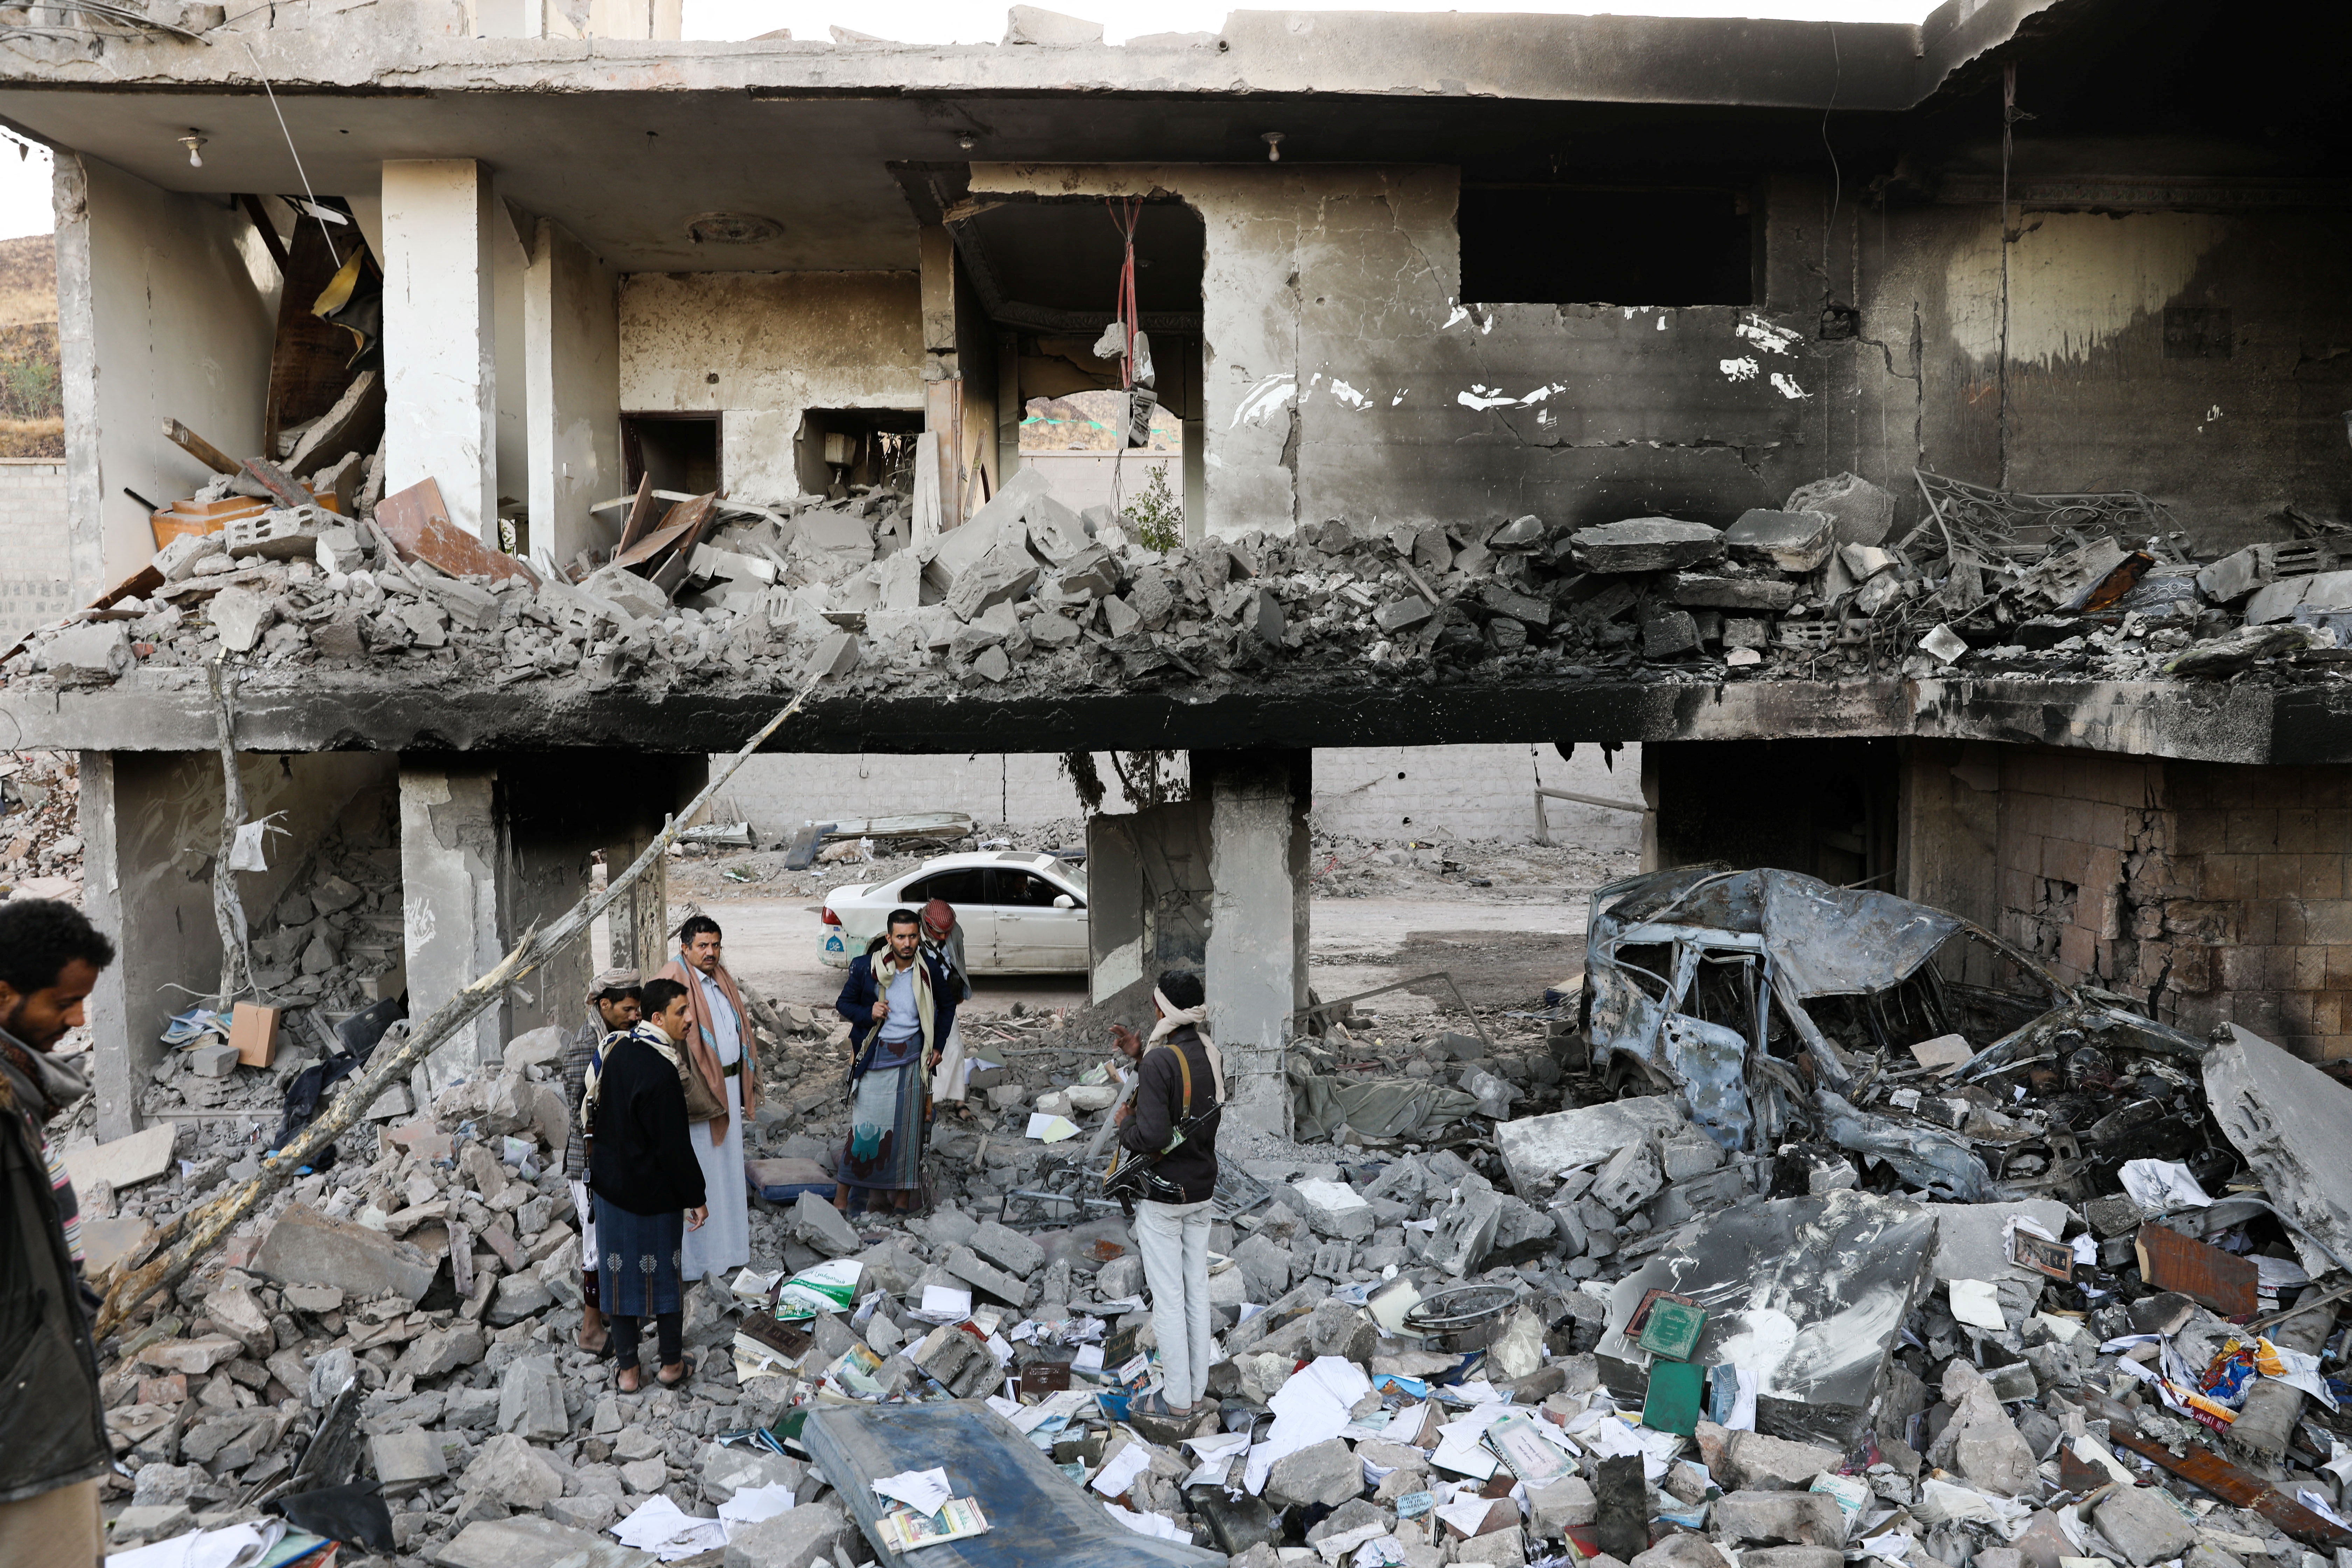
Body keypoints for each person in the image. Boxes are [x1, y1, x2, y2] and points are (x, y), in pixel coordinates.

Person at [0, 900, 116, 1566]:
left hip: (39, 1390)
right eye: (62, 1004)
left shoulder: (18, 1089)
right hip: (20, 1415)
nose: (76, 1022)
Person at [584, 976, 708, 1392]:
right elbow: (673, 1146)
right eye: (681, 1012)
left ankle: (629, 1372)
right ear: (658, 1018)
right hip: (654, 1195)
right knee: (664, 1277)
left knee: (618, 1278)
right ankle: (672, 1366)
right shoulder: (663, 1069)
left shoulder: (618, 1050)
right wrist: (697, 1197)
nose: (689, 1019)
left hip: (613, 1190)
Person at [1111, 969, 1223, 1422]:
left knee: (1169, 1299)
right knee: (1196, 1291)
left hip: (1164, 1197)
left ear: (1163, 1010)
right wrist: (1142, 1055)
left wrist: (1124, 1125)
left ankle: (1177, 1400)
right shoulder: (1208, 1052)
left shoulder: (1162, 1062)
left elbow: (1153, 1134)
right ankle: (1196, 1392)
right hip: (1201, 1189)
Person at [832, 908, 958, 1213]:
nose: (907, 943)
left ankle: (901, 1205)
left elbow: (947, 1005)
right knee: (864, 1131)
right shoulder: (867, 968)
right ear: (889, 938)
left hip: (913, 1060)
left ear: (919, 937)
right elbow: (843, 1004)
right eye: (901, 937)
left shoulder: (928, 968)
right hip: (875, 1058)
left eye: (913, 936)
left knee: (907, 1133)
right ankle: (841, 1202)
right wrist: (869, 1013)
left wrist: (938, 1045)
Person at [657, 916, 756, 1283]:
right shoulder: (673, 979)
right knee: (700, 1173)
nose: (711, 952)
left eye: (715, 945)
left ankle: (728, 1253)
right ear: (685, 948)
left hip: (727, 1087)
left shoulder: (719, 979)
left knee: (727, 1172)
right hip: (697, 1093)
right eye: (703, 946)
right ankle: (697, 1263)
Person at [562, 969, 642, 1355]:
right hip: (592, 1166)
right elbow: (584, 1115)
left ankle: (608, 1312)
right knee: (595, 1248)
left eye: (638, 1008)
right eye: (627, 1008)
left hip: (614, 1160)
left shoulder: (617, 1036)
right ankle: (591, 1331)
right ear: (603, 1004)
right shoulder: (585, 1045)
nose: (635, 1015)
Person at [920, 898, 975, 1108]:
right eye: (939, 933)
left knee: (953, 1046)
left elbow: (959, 959)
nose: (944, 937)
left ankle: (958, 1101)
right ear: (926, 924)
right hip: (922, 996)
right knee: (924, 1048)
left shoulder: (955, 930)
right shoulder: (912, 932)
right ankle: (927, 1099)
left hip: (946, 997)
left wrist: (960, 988)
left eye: (947, 933)